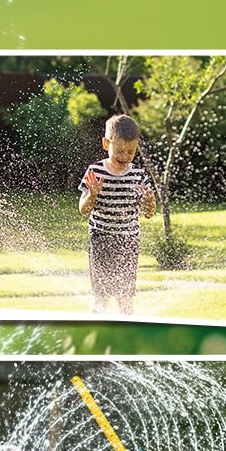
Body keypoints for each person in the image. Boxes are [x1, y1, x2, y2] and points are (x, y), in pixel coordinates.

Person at [79, 114, 156, 315]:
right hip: (101, 237)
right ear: (106, 143)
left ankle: (127, 328)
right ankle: (95, 327)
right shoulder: (95, 171)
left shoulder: (138, 175)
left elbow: (148, 213)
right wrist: (92, 194)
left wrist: (149, 202)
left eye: (131, 152)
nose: (124, 156)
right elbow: (83, 209)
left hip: (128, 240)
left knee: (125, 294)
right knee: (101, 294)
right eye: (120, 150)